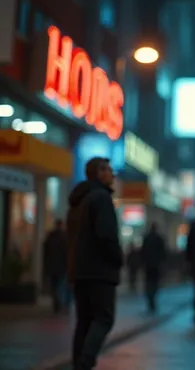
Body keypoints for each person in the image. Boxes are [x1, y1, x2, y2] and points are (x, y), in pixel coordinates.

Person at [66, 157, 123, 370]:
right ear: (98, 173)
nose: (112, 174)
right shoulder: (101, 198)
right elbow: (106, 235)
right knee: (103, 319)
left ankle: (78, 364)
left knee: (84, 322)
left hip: (80, 272)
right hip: (100, 272)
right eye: (108, 170)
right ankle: (84, 363)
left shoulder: (79, 200)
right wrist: (117, 258)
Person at [43, 218, 69, 314]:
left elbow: (46, 253)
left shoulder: (50, 237)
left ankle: (57, 304)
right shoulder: (65, 237)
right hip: (62, 267)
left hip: (52, 266)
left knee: (55, 286)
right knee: (60, 286)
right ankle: (60, 303)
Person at [141, 222, 167, 313]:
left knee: (149, 283)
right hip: (156, 265)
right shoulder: (159, 239)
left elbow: (143, 252)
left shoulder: (146, 238)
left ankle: (150, 299)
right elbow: (163, 252)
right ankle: (153, 298)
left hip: (148, 265)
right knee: (155, 283)